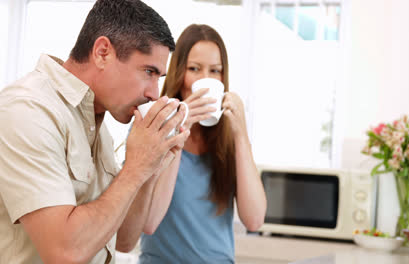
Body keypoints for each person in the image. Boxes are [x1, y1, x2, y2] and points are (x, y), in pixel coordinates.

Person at [0, 0, 190, 263]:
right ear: (102, 52)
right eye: (149, 71)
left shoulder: (97, 124)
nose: (154, 93)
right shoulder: (28, 110)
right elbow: (64, 253)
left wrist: (151, 168)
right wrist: (136, 167)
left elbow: (123, 239)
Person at [136, 24, 267, 263]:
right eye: (194, 69)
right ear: (179, 74)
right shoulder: (153, 127)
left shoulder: (227, 139)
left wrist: (241, 134)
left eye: (215, 71)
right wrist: (180, 126)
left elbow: (255, 220)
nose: (205, 80)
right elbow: (149, 222)